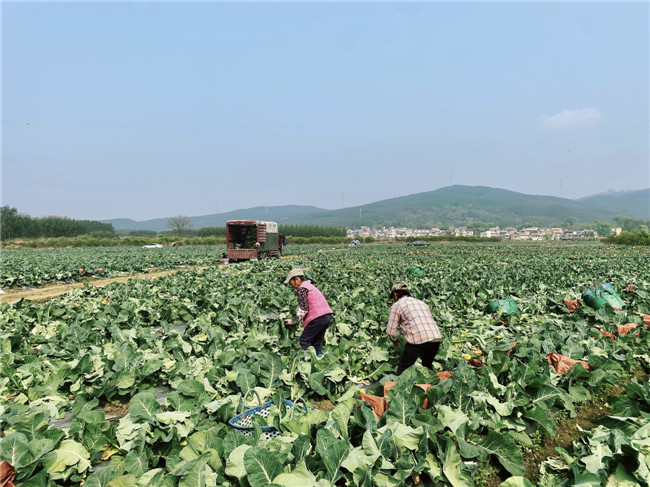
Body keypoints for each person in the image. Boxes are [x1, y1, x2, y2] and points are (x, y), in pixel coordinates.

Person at [386, 281, 442, 375]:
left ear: (395, 294)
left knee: (403, 369)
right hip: (436, 338)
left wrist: (394, 340)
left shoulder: (397, 305)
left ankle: (400, 389)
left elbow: (391, 331)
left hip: (418, 339)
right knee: (427, 368)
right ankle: (430, 387)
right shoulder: (421, 302)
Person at [283, 268, 333, 356]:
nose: (291, 285)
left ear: (297, 279)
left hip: (317, 318)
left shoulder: (302, 289)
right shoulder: (309, 286)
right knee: (316, 343)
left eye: (291, 282)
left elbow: (303, 308)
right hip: (326, 316)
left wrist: (293, 321)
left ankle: (303, 363)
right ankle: (320, 361)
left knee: (304, 341)